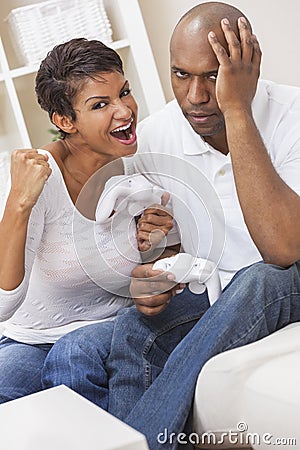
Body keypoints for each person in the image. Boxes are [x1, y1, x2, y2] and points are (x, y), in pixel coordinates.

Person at [41, 2, 300, 449]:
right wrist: (154, 275)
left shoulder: (292, 115)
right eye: (181, 74)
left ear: (248, 66)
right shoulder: (158, 136)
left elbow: (283, 249)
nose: (196, 96)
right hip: (213, 295)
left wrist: (237, 110)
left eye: (214, 75)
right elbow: (164, 246)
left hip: (284, 282)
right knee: (123, 333)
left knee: (258, 277)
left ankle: (135, 443)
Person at [0, 37, 174, 405]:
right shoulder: (37, 178)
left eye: (124, 92)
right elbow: (3, 306)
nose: (125, 110)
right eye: (100, 104)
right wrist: (19, 204)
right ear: (65, 121)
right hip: (29, 340)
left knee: (73, 362)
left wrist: (157, 248)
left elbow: (155, 276)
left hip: (108, 333)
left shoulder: (138, 172)